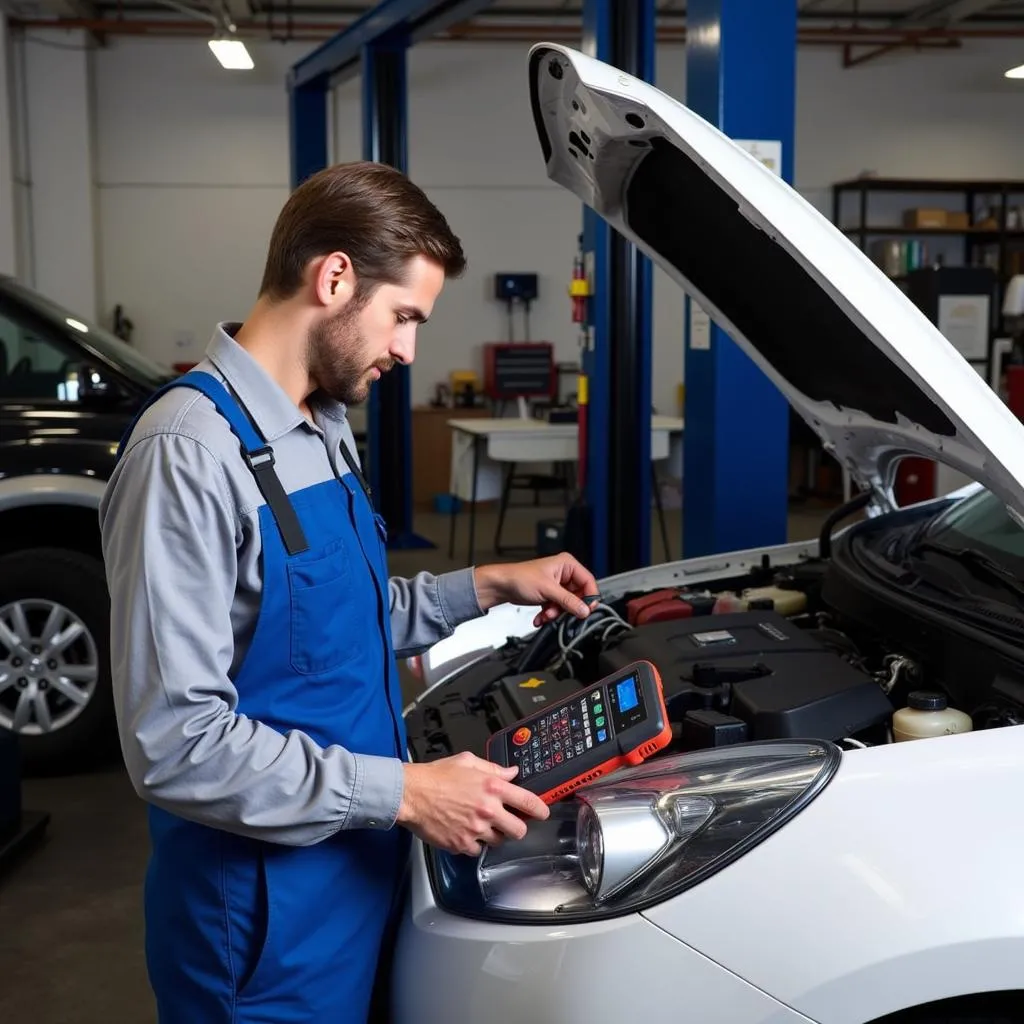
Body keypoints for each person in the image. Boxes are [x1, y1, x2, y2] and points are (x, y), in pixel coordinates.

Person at [99, 160, 600, 1024]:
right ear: (334, 277)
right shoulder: (187, 453)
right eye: (404, 316)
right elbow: (174, 743)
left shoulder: (323, 425)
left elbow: (326, 623)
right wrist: (409, 793)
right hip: (257, 929)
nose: (409, 348)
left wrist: (485, 584)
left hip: (359, 877)